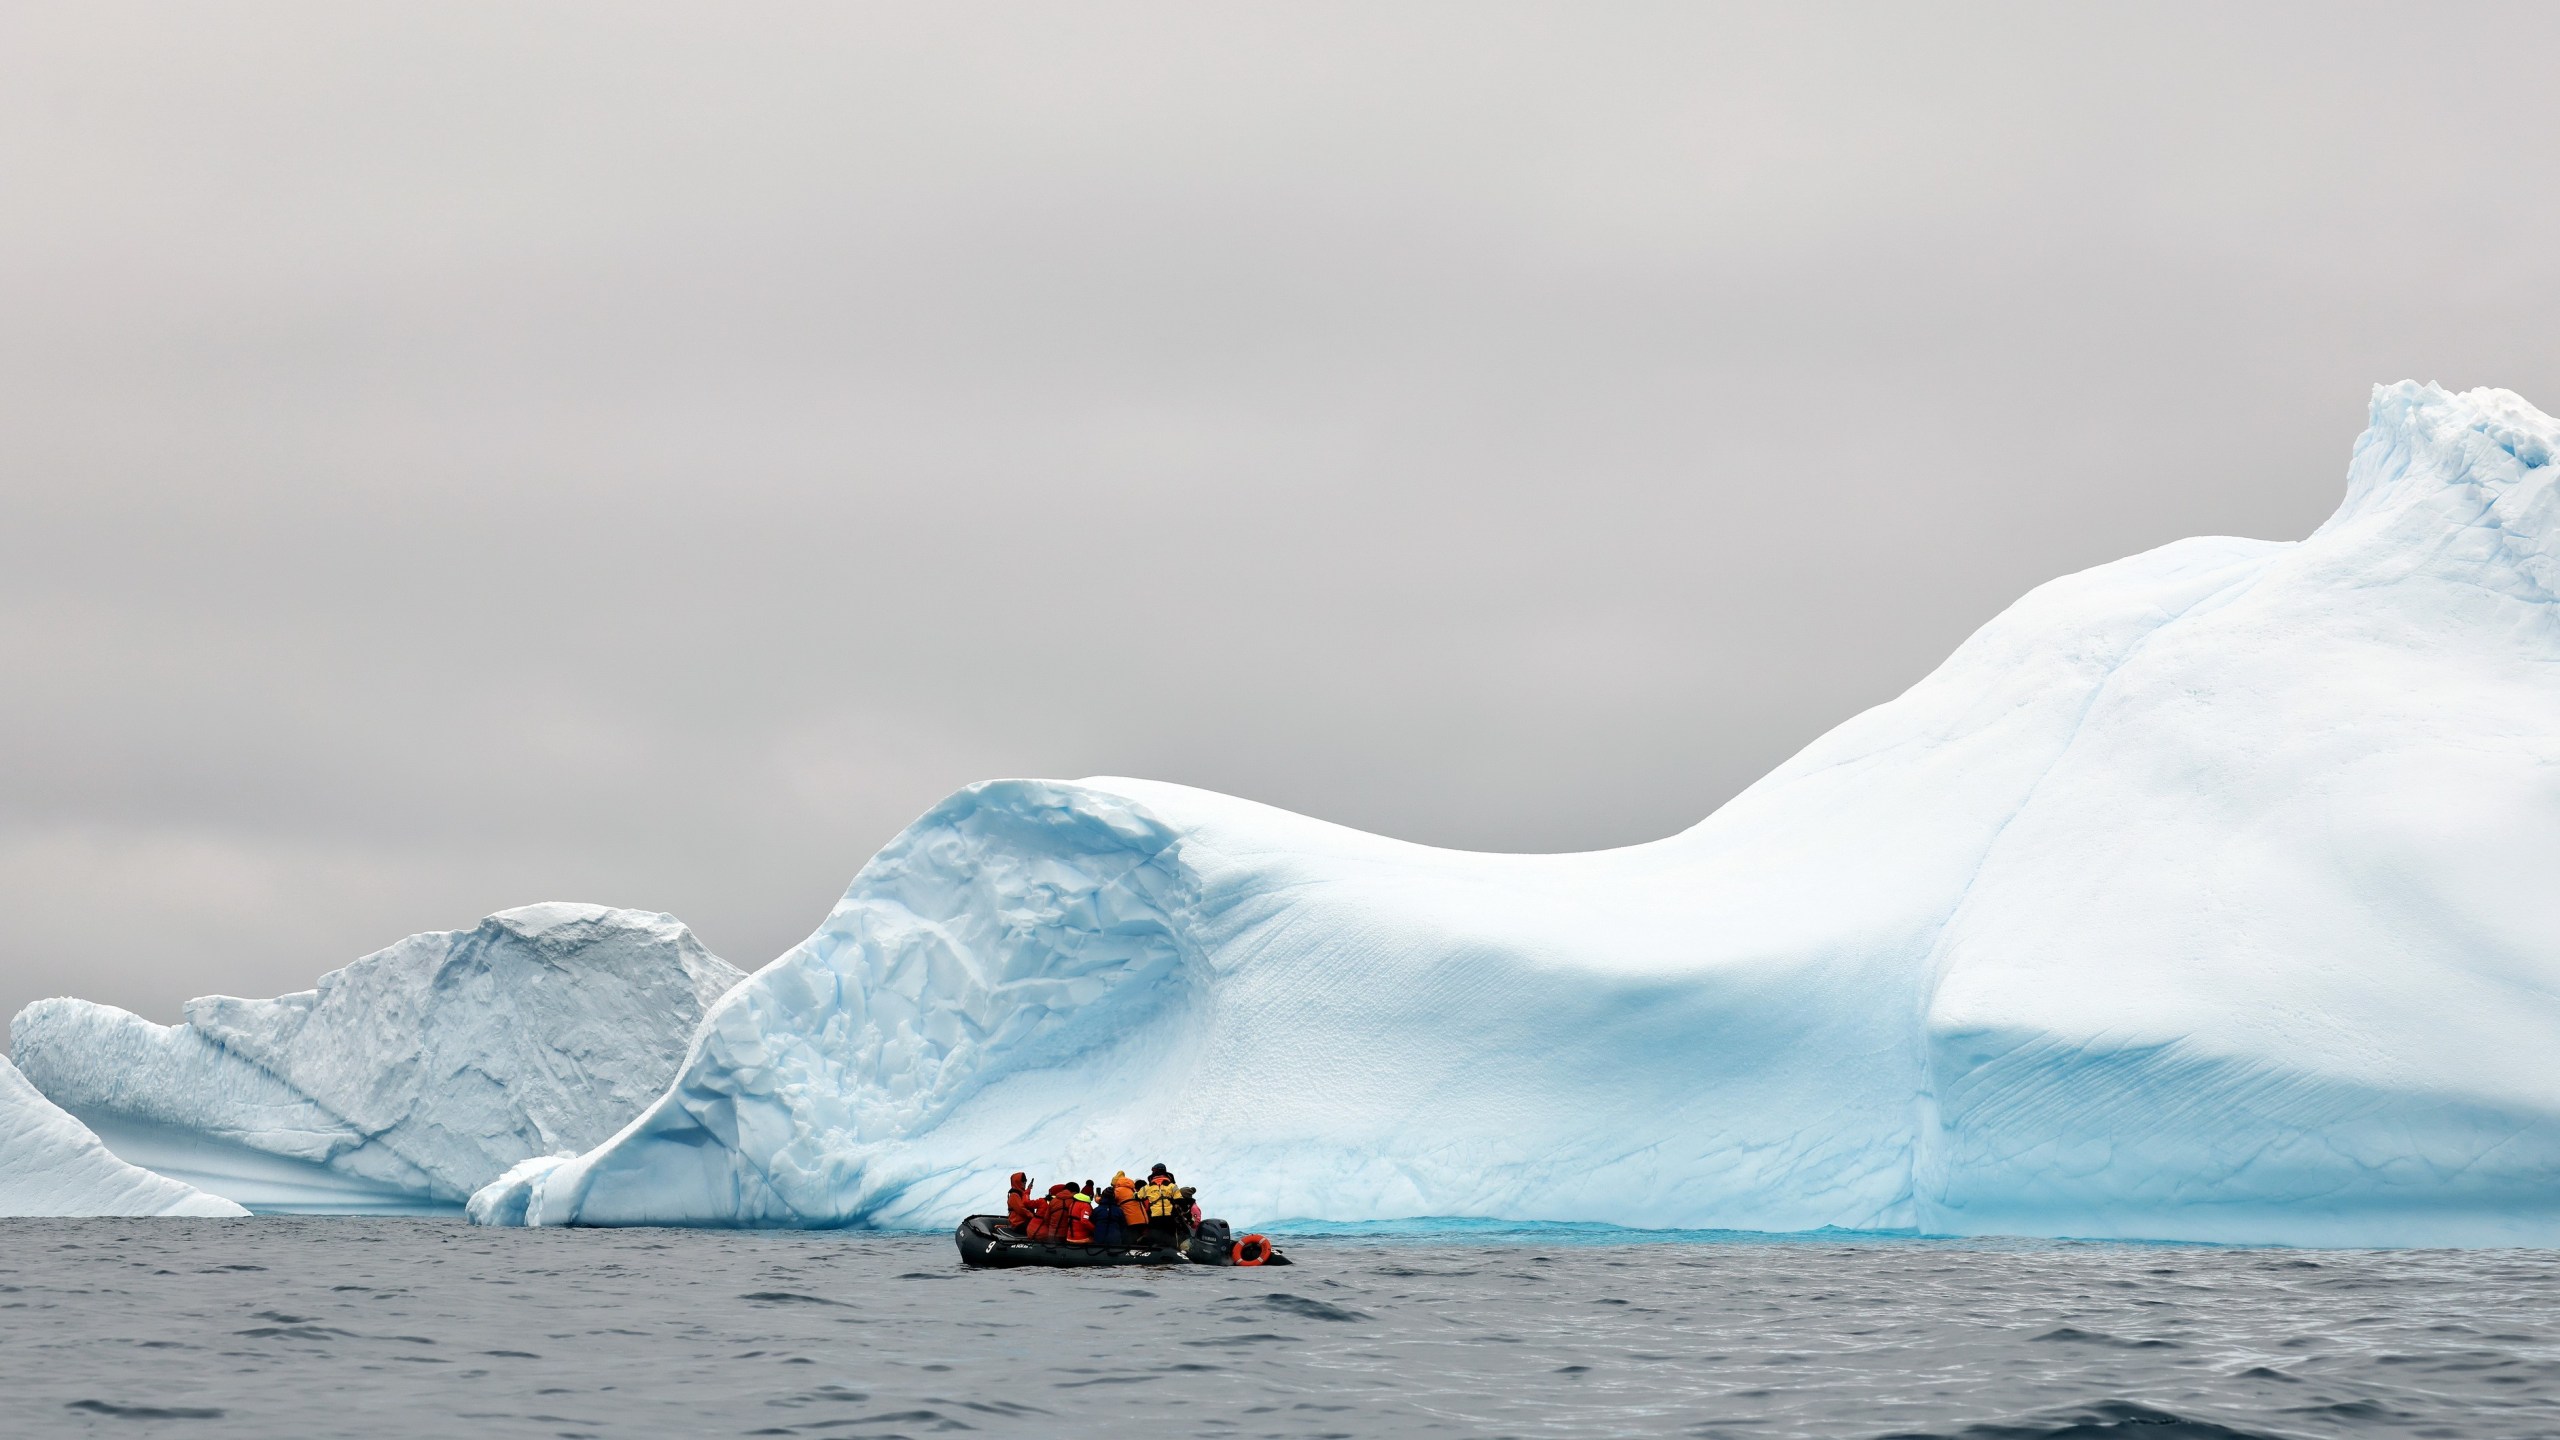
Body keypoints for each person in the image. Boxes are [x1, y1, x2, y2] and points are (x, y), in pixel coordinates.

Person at [1138, 1165, 1183, 1248]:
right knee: (1171, 1241)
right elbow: (1179, 1200)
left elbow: (1137, 1197)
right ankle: (1173, 1256)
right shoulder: (1172, 1186)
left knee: (1156, 1240)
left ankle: (1155, 1258)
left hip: (1155, 1218)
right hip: (1169, 1218)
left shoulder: (1147, 1187)